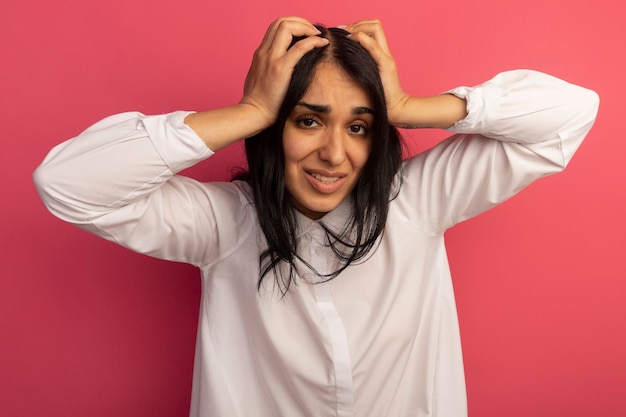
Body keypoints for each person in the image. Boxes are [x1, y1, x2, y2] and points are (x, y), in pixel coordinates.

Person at [33, 16, 599, 417]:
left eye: (359, 126)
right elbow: (69, 184)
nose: (334, 154)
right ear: (273, 129)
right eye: (308, 121)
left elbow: (571, 112)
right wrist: (250, 109)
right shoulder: (222, 225)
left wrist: (407, 107)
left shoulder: (417, 201)